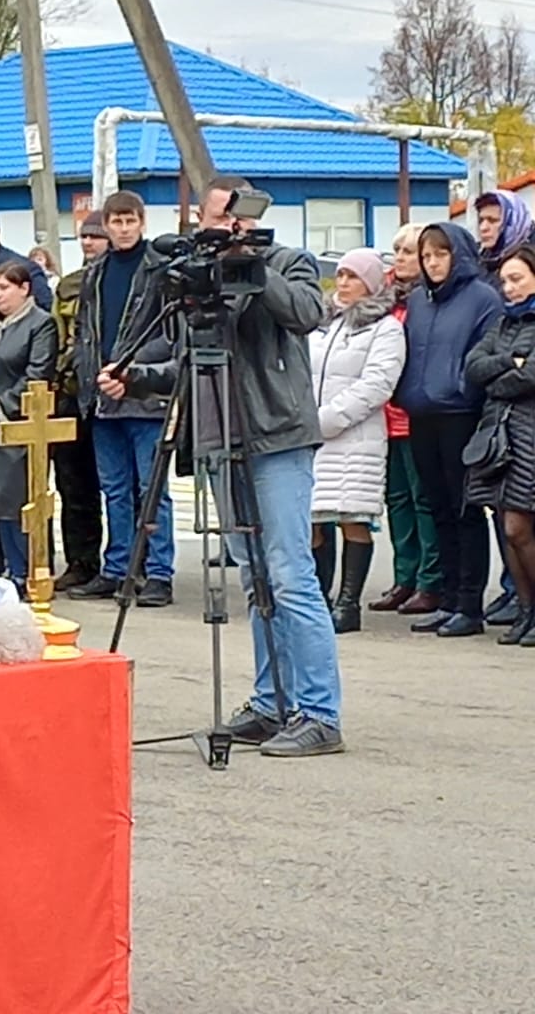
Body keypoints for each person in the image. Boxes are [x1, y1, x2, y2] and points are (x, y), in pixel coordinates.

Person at [110, 175, 340, 757]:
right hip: (218, 439)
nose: (220, 229)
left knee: (289, 576)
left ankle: (318, 711)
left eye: (229, 219)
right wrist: (136, 377)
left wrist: (251, 266)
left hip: (275, 437)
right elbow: (191, 363)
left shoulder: (289, 262)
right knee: (254, 578)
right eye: (213, 219)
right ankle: (272, 703)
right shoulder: (198, 277)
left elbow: (307, 314)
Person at [396, 220, 502, 638]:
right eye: (427, 256)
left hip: (460, 414)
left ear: (457, 255)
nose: (433, 262)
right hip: (422, 413)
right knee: (437, 507)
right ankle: (448, 597)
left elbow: (482, 355)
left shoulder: (482, 299)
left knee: (465, 511)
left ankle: (470, 605)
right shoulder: (420, 300)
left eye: (441, 254)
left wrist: (461, 387)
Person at [69, 191, 175, 608]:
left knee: (152, 489)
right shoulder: (95, 272)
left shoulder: (160, 270)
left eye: (131, 221)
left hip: (145, 395)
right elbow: (85, 332)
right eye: (116, 222)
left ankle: (159, 572)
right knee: (113, 488)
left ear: (142, 222)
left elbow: (168, 336)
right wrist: (90, 375)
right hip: (101, 397)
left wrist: (128, 369)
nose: (124, 228)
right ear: (107, 226)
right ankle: (118, 569)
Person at [307, 249, 407, 635]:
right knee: (314, 519)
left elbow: (378, 384)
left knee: (351, 516)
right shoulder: (324, 323)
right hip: (313, 436)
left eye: (353, 276)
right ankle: (319, 599)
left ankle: (348, 603)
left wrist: (329, 418)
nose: (343, 283)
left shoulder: (385, 328)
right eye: (341, 275)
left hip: (355, 437)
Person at [0, 262, 59, 579]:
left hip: (18, 425)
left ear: (24, 289)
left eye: (5, 288)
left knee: (16, 501)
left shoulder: (40, 324)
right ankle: (8, 567)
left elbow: (37, 373)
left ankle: (28, 570)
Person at [465, 245, 535, 646]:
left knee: (519, 525)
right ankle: (525, 611)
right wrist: (512, 363)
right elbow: (474, 368)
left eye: (517, 279)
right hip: (504, 437)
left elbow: (532, 377)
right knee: (510, 529)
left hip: (529, 434)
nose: (508, 288)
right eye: (505, 280)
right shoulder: (503, 324)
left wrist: (503, 374)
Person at [371, 225, 444, 616]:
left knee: (423, 500)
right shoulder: (383, 298)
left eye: (409, 251)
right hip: (384, 417)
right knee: (396, 500)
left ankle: (431, 581)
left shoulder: (427, 301)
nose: (399, 257)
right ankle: (405, 576)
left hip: (415, 415)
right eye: (396, 249)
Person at [51, 213, 110, 591]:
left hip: (112, 393)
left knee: (121, 487)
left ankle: (126, 565)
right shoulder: (70, 285)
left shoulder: (125, 279)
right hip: (72, 394)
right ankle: (81, 561)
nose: (89, 243)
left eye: (96, 236)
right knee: (74, 486)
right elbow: (59, 335)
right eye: (85, 236)